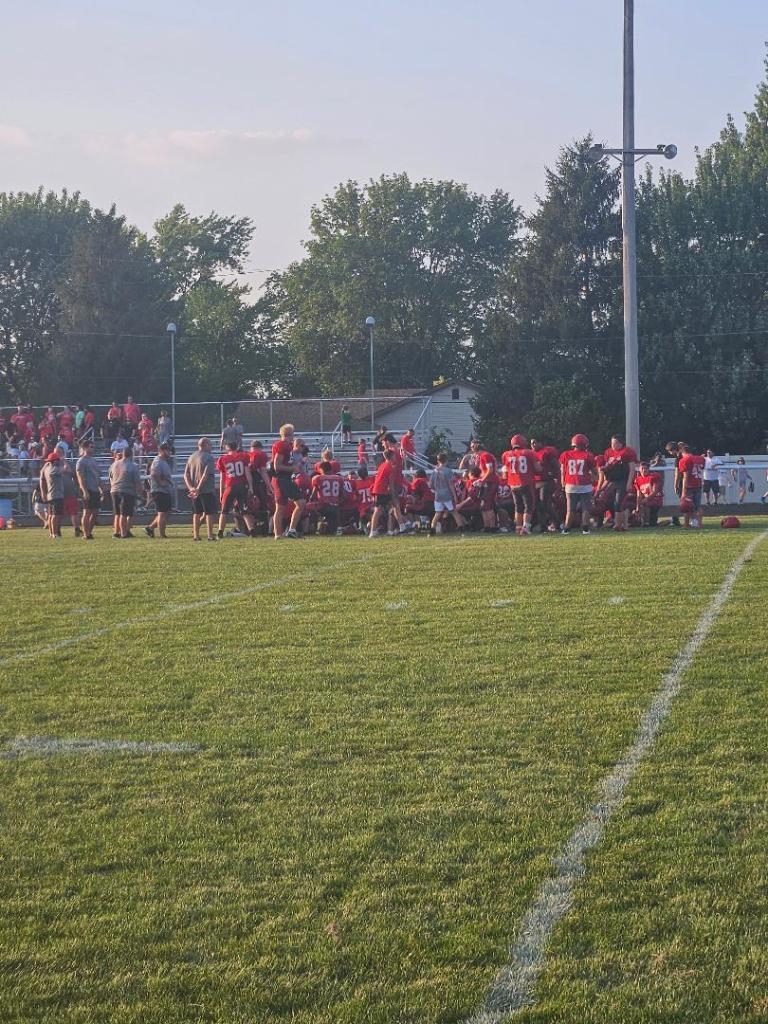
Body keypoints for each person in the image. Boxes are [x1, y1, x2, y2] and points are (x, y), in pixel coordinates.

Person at [368, 448, 414, 538]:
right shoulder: (390, 467)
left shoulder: (382, 465)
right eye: (394, 456)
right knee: (378, 510)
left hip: (381, 490)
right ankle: (372, 532)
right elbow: (391, 484)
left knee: (395, 507)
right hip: (381, 491)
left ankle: (403, 527)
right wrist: (393, 496)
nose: (395, 457)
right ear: (391, 457)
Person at [271, 423, 306, 539]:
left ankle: (291, 530)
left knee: (301, 503)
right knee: (280, 508)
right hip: (280, 479)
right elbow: (277, 466)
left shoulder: (288, 446)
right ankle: (278, 534)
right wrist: (292, 468)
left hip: (286, 479)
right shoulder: (281, 445)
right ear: (289, 434)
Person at [501, 434, 540, 536]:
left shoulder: (506, 454)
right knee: (529, 506)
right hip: (526, 483)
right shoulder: (529, 453)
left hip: (513, 484)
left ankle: (518, 527)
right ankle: (526, 527)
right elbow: (538, 468)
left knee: (518, 506)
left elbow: (504, 473)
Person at [559, 434, 598, 535]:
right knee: (586, 508)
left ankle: (566, 529)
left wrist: (562, 483)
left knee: (570, 509)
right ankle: (585, 528)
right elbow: (594, 471)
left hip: (570, 484)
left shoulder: (566, 454)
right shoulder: (588, 455)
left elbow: (563, 470)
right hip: (585, 484)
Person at [217, 440, 256, 538]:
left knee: (224, 511)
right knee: (245, 510)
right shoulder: (244, 456)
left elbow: (222, 478)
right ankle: (252, 532)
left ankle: (220, 532)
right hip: (242, 486)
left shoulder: (223, 458)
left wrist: (221, 492)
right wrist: (250, 487)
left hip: (230, 487)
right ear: (237, 447)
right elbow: (247, 473)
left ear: (227, 448)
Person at [601, 435, 638, 532]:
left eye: (615, 443)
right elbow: (607, 467)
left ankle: (617, 525)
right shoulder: (608, 452)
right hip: (612, 481)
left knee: (619, 502)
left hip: (623, 480)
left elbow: (632, 468)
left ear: (621, 443)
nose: (613, 445)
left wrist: (629, 482)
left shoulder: (627, 452)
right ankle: (624, 524)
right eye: (612, 443)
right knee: (611, 502)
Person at [184, 437, 218, 541]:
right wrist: (198, 488)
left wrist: (191, 488)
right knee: (209, 513)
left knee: (196, 513)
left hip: (194, 491)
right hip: (206, 490)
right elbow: (205, 475)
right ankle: (210, 535)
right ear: (205, 445)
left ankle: (196, 535)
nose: (211, 447)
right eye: (210, 445)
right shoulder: (209, 458)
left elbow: (186, 475)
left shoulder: (191, 457)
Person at [108, 448, 144, 538]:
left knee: (117, 513)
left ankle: (116, 532)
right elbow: (137, 482)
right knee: (125, 513)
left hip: (114, 490)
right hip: (127, 491)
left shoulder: (114, 464)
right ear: (131, 455)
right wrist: (141, 494)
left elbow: (110, 477)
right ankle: (124, 533)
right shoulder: (132, 466)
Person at [145, 442, 175, 538]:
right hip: (160, 491)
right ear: (162, 450)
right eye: (168, 450)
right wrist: (161, 483)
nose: (169, 452)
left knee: (167, 512)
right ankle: (162, 534)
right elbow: (154, 474)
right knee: (162, 513)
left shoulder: (163, 461)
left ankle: (150, 528)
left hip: (165, 491)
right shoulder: (158, 461)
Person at [530, 438, 560, 533]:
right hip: (535, 482)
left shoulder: (547, 451)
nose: (533, 445)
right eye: (531, 443)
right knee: (538, 506)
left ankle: (558, 524)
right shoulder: (530, 453)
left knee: (545, 504)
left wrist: (558, 482)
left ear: (541, 442)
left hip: (547, 481)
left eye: (535, 442)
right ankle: (543, 526)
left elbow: (557, 467)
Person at [75, 437, 102, 540]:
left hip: (95, 489)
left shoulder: (94, 461)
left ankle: (89, 532)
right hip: (87, 489)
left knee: (95, 512)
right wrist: (85, 491)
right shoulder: (81, 461)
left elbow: (97, 476)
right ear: (85, 448)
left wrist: (101, 488)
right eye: (91, 447)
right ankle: (86, 534)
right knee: (87, 512)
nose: (93, 449)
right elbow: (80, 477)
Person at [309, 461, 344, 534]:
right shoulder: (339, 478)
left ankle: (312, 528)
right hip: (335, 507)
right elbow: (343, 495)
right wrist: (338, 503)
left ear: (321, 469)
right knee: (332, 530)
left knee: (308, 507)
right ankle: (331, 528)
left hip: (323, 506)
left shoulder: (318, 478)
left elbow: (313, 495)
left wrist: (311, 500)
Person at [677, 444, 706, 528]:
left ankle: (686, 524)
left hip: (689, 485)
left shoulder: (684, 460)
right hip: (699, 484)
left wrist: (683, 492)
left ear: (683, 452)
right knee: (698, 506)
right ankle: (700, 524)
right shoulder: (701, 458)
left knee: (686, 506)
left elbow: (685, 476)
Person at [39, 450, 65, 539]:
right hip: (56, 495)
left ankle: (51, 533)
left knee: (51, 515)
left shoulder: (46, 469)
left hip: (51, 495)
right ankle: (55, 533)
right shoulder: (54, 469)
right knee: (55, 515)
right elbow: (66, 469)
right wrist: (64, 461)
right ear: (55, 461)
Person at [633, 459, 664, 527]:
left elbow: (655, 491)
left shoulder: (653, 476)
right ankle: (643, 521)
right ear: (639, 469)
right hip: (647, 500)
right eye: (642, 468)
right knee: (641, 505)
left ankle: (646, 522)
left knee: (652, 523)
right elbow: (639, 494)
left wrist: (645, 499)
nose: (644, 470)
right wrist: (637, 507)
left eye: (646, 468)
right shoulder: (637, 480)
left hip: (655, 499)